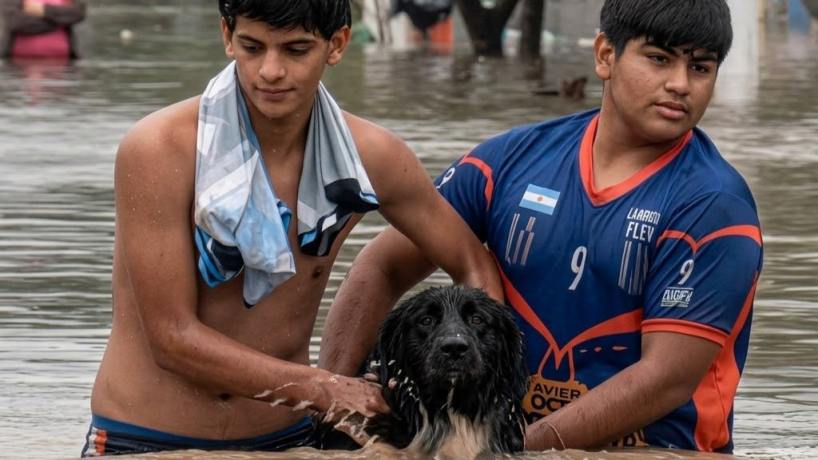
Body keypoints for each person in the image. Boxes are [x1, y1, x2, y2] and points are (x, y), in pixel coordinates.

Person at [320, 0, 763, 454]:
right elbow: (383, 266)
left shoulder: (714, 206)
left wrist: (512, 450)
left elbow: (664, 381)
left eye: (701, 68)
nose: (680, 84)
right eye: (659, 58)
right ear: (605, 55)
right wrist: (332, 410)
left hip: (654, 450)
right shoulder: (508, 163)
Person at [82, 0, 501, 457]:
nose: (271, 71)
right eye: (252, 47)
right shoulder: (160, 149)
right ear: (227, 36)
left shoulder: (374, 156)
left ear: (336, 44)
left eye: (296, 49)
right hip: (145, 439)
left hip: (287, 442)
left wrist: (471, 378)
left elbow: (471, 263)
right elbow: (172, 339)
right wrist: (328, 389)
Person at [1, 0, 86, 60]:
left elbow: (78, 13)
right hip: (18, 65)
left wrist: (44, 10)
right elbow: (15, 22)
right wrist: (60, 20)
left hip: (64, 66)